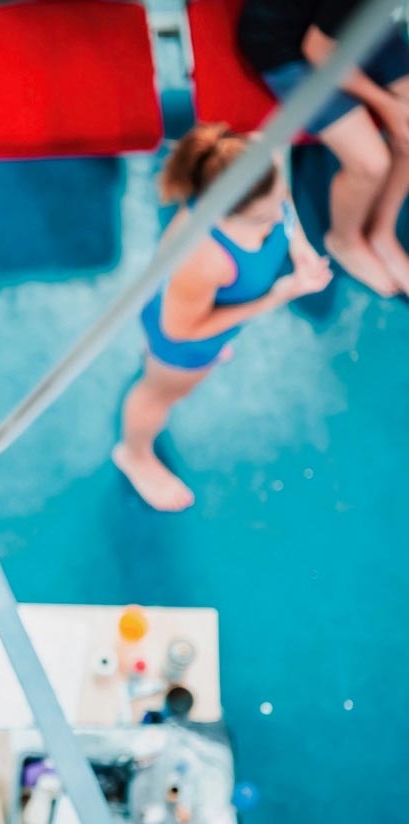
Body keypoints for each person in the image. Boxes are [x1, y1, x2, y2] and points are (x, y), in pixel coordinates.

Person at [114, 124, 332, 511]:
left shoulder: (259, 159)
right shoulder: (201, 257)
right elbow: (180, 330)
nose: (276, 213)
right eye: (263, 215)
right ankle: (134, 455)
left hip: (208, 317)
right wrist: (277, 297)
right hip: (185, 341)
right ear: (226, 212)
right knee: (159, 395)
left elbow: (281, 205)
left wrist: (299, 248)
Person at [239, 0, 409, 295]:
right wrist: (387, 104)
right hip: (287, 46)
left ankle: (382, 232)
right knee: (371, 164)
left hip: (359, 23)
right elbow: (318, 50)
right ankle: (344, 240)